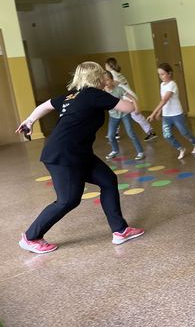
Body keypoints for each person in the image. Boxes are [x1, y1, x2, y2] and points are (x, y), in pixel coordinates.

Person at [16, 61, 145, 254]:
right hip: (63, 155)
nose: (104, 78)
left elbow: (45, 105)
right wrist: (123, 89)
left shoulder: (71, 96)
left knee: (108, 180)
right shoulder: (95, 95)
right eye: (102, 75)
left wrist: (29, 121)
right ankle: (31, 237)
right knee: (68, 200)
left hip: (78, 153)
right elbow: (129, 108)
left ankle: (120, 230)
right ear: (97, 77)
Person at [147, 63, 195, 160]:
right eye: (159, 74)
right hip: (166, 115)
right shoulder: (162, 85)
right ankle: (181, 148)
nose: (160, 76)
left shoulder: (172, 85)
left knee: (185, 133)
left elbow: (164, 100)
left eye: (163, 74)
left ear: (169, 73)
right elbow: (163, 100)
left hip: (177, 114)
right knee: (167, 136)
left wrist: (153, 113)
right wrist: (159, 112)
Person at [105, 57, 157, 141]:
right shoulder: (118, 73)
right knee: (117, 112)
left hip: (128, 98)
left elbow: (113, 85)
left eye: (105, 65)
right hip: (128, 96)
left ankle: (150, 132)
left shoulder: (112, 74)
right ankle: (115, 133)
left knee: (136, 116)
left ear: (108, 65)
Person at [103, 72, 145, 160]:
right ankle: (115, 150)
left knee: (130, 133)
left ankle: (140, 152)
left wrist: (137, 108)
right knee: (110, 136)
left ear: (112, 80)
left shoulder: (119, 89)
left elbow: (132, 98)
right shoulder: (103, 92)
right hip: (113, 116)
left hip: (124, 114)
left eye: (107, 80)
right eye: (104, 80)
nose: (105, 82)